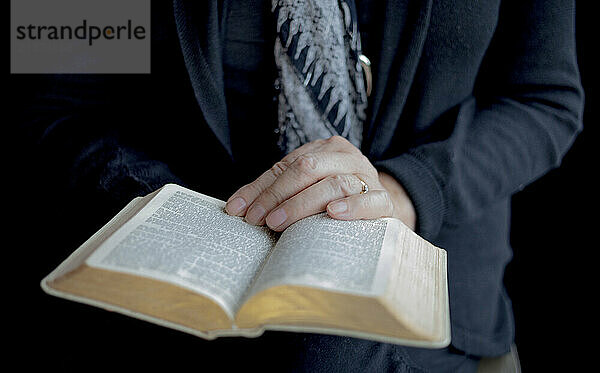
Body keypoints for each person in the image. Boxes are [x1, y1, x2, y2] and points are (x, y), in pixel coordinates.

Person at [17, 0, 583, 371]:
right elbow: (62, 98)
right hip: (166, 312)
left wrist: (405, 190)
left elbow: (544, 100)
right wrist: (164, 206)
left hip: (438, 316)